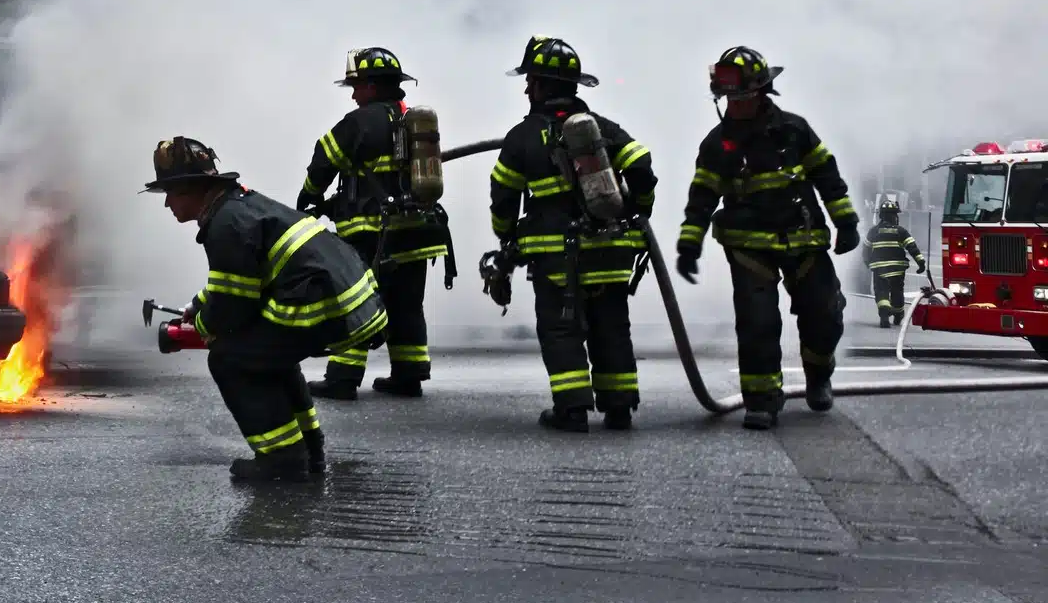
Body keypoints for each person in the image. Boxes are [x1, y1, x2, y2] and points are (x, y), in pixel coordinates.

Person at [150, 136, 387, 482]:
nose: (167, 202)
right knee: (268, 352)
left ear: (193, 188)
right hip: (351, 301)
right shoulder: (239, 206)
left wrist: (202, 325)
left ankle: (281, 459)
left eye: (171, 192)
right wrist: (200, 303)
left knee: (229, 358)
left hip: (327, 307)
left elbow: (233, 308)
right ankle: (309, 449)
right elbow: (242, 278)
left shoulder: (224, 224)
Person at [676, 46, 857, 431]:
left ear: (761, 92)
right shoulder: (717, 144)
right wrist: (689, 243)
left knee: (824, 313)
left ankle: (818, 374)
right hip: (748, 247)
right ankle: (762, 400)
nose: (735, 106)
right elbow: (702, 196)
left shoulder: (794, 130)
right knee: (757, 324)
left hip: (803, 239)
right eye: (729, 98)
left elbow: (827, 176)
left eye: (742, 97)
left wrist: (846, 223)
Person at [485, 37, 656, 433]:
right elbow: (642, 165)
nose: (527, 88)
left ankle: (573, 409)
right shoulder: (604, 130)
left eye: (531, 80)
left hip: (557, 257)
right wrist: (637, 211)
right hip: (611, 251)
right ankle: (619, 407)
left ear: (543, 85)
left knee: (561, 330)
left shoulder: (522, 137)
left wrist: (505, 237)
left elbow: (503, 195)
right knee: (611, 327)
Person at [298, 47, 449, 400]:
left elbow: (323, 161)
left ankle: (343, 378)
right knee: (406, 304)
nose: (353, 94)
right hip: (418, 231)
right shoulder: (413, 121)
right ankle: (409, 375)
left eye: (357, 86)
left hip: (372, 233)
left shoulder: (357, 123)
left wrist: (309, 196)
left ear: (371, 86)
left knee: (356, 300)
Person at [863, 193, 926, 327]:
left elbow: (866, 249)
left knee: (881, 292)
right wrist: (921, 263)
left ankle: (884, 316)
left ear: (881, 215)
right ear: (894, 216)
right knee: (897, 291)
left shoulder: (873, 231)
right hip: (897, 269)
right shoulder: (901, 231)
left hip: (879, 269)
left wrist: (867, 263)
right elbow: (912, 247)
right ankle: (898, 314)